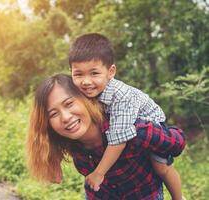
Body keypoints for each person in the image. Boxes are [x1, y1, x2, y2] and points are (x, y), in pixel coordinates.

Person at [26, 74, 186, 199]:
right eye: (53, 114)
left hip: (144, 195)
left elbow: (178, 141)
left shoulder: (131, 131)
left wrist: (160, 156)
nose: (65, 117)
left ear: (85, 99)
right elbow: (55, 176)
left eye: (69, 104)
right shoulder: (69, 141)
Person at [69, 33, 184, 199]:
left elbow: (118, 140)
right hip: (122, 137)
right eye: (78, 74)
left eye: (94, 73)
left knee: (161, 167)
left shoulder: (121, 97)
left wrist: (99, 173)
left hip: (150, 122)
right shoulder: (83, 92)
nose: (86, 81)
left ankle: (179, 197)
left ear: (111, 72)